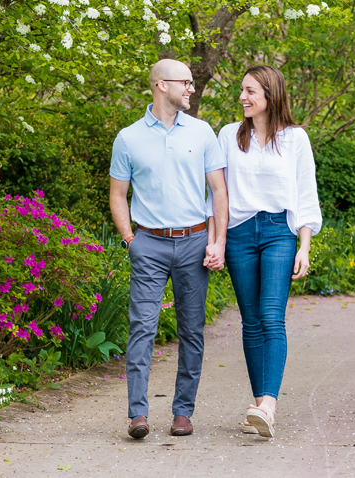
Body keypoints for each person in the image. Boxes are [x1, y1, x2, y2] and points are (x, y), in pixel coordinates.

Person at [109, 59, 229, 439]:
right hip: (150, 244)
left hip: (194, 243)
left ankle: (183, 413)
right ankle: (137, 415)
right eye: (186, 82)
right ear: (162, 85)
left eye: (192, 83)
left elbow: (219, 192)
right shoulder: (128, 138)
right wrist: (130, 239)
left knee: (192, 331)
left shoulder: (202, 132)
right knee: (142, 328)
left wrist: (217, 241)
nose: (191, 88)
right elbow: (117, 194)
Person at [218, 65, 322, 438]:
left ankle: (267, 405)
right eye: (242, 91)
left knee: (271, 316)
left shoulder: (295, 138)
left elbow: (306, 194)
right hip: (239, 234)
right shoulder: (229, 135)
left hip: (280, 231)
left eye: (250, 91)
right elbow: (218, 194)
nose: (243, 97)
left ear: (270, 95)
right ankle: (260, 405)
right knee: (250, 321)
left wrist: (305, 245)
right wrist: (217, 239)